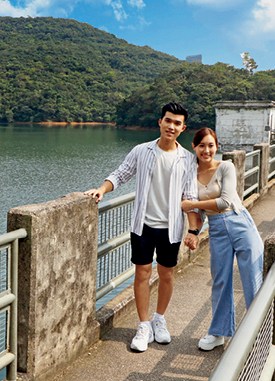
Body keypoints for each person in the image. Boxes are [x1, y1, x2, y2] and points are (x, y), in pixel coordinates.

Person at [84, 102, 201, 352]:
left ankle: (160, 319)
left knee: (167, 274)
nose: (171, 126)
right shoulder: (141, 151)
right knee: (142, 273)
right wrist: (101, 190)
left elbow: (190, 197)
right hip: (143, 225)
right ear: (160, 122)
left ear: (183, 128)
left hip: (171, 227)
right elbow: (121, 174)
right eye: (168, 120)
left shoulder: (187, 160)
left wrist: (193, 231)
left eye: (177, 123)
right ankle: (144, 324)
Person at [181, 128, 264, 351]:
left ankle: (259, 335)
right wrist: (194, 233)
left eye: (211, 145)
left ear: (216, 146)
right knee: (220, 281)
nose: (206, 150)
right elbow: (195, 215)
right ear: (194, 147)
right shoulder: (189, 176)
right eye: (202, 146)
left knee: (252, 278)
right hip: (216, 229)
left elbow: (225, 201)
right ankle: (218, 332)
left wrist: (193, 204)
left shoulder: (225, 167)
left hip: (239, 222)